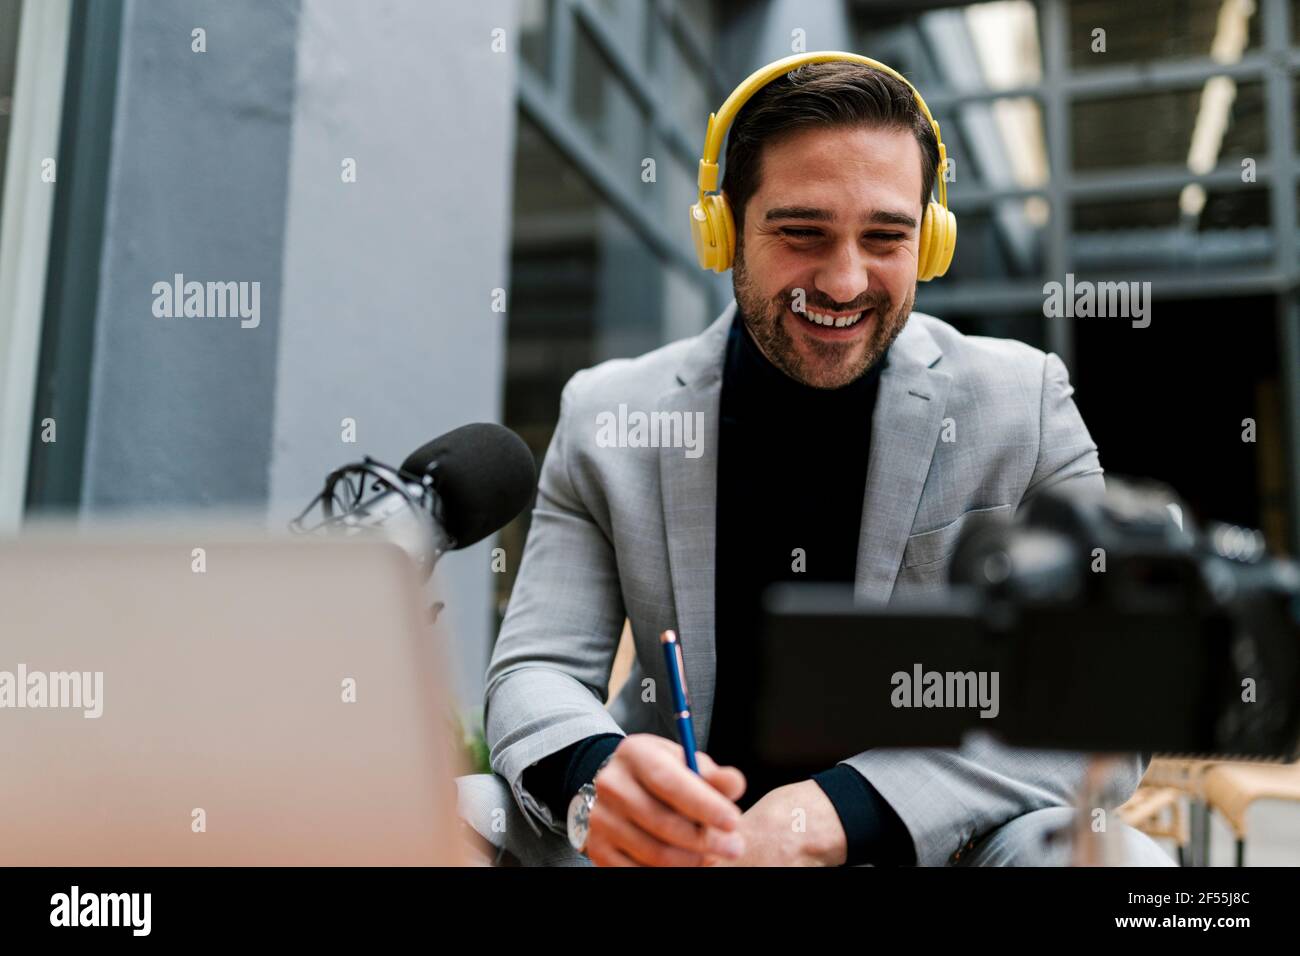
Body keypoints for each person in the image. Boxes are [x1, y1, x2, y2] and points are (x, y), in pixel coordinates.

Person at [456, 56, 1173, 867]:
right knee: (450, 813)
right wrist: (598, 780)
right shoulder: (608, 413)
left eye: (886, 237)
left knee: (1124, 865)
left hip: (926, 848)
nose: (843, 280)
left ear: (930, 242)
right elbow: (538, 666)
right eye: (803, 233)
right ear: (721, 228)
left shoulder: (1023, 402)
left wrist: (847, 808)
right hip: (673, 850)